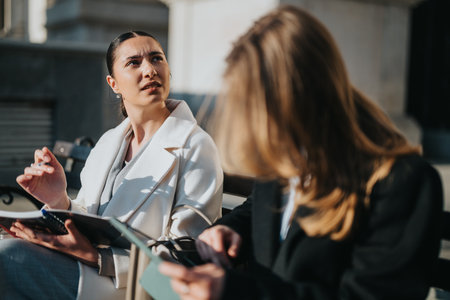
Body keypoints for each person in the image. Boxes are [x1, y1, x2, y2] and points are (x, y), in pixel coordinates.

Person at [159, 5, 443, 300]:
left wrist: (237, 292)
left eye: (252, 106)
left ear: (295, 101)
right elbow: (259, 208)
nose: (250, 123)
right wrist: (230, 229)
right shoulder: (290, 159)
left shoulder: (403, 183)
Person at [0, 31, 223, 300]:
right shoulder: (108, 143)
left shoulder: (196, 145)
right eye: (134, 63)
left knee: (9, 259)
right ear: (113, 84)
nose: (150, 70)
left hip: (132, 286)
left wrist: (96, 256)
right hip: (86, 267)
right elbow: (91, 217)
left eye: (156, 59)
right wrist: (59, 201)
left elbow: (187, 254)